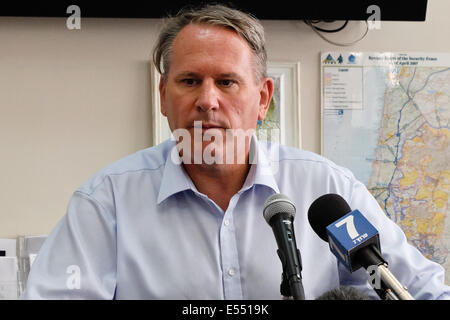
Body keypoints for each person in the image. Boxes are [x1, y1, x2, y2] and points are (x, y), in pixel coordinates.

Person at [21, 4, 450, 300]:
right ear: (162, 97)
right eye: (189, 81)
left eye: (227, 82)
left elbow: (422, 289)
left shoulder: (326, 189)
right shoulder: (106, 202)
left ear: (263, 99)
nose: (207, 100)